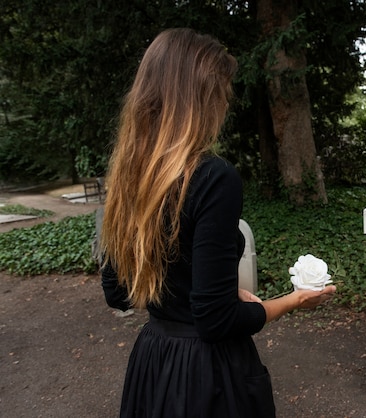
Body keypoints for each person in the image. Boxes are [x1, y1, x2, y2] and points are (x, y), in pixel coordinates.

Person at [100, 28, 336, 418]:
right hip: (205, 377)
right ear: (200, 100)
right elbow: (215, 321)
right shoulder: (213, 178)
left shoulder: (127, 175)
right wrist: (293, 300)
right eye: (222, 95)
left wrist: (218, 291)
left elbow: (119, 293)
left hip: (154, 365)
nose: (225, 107)